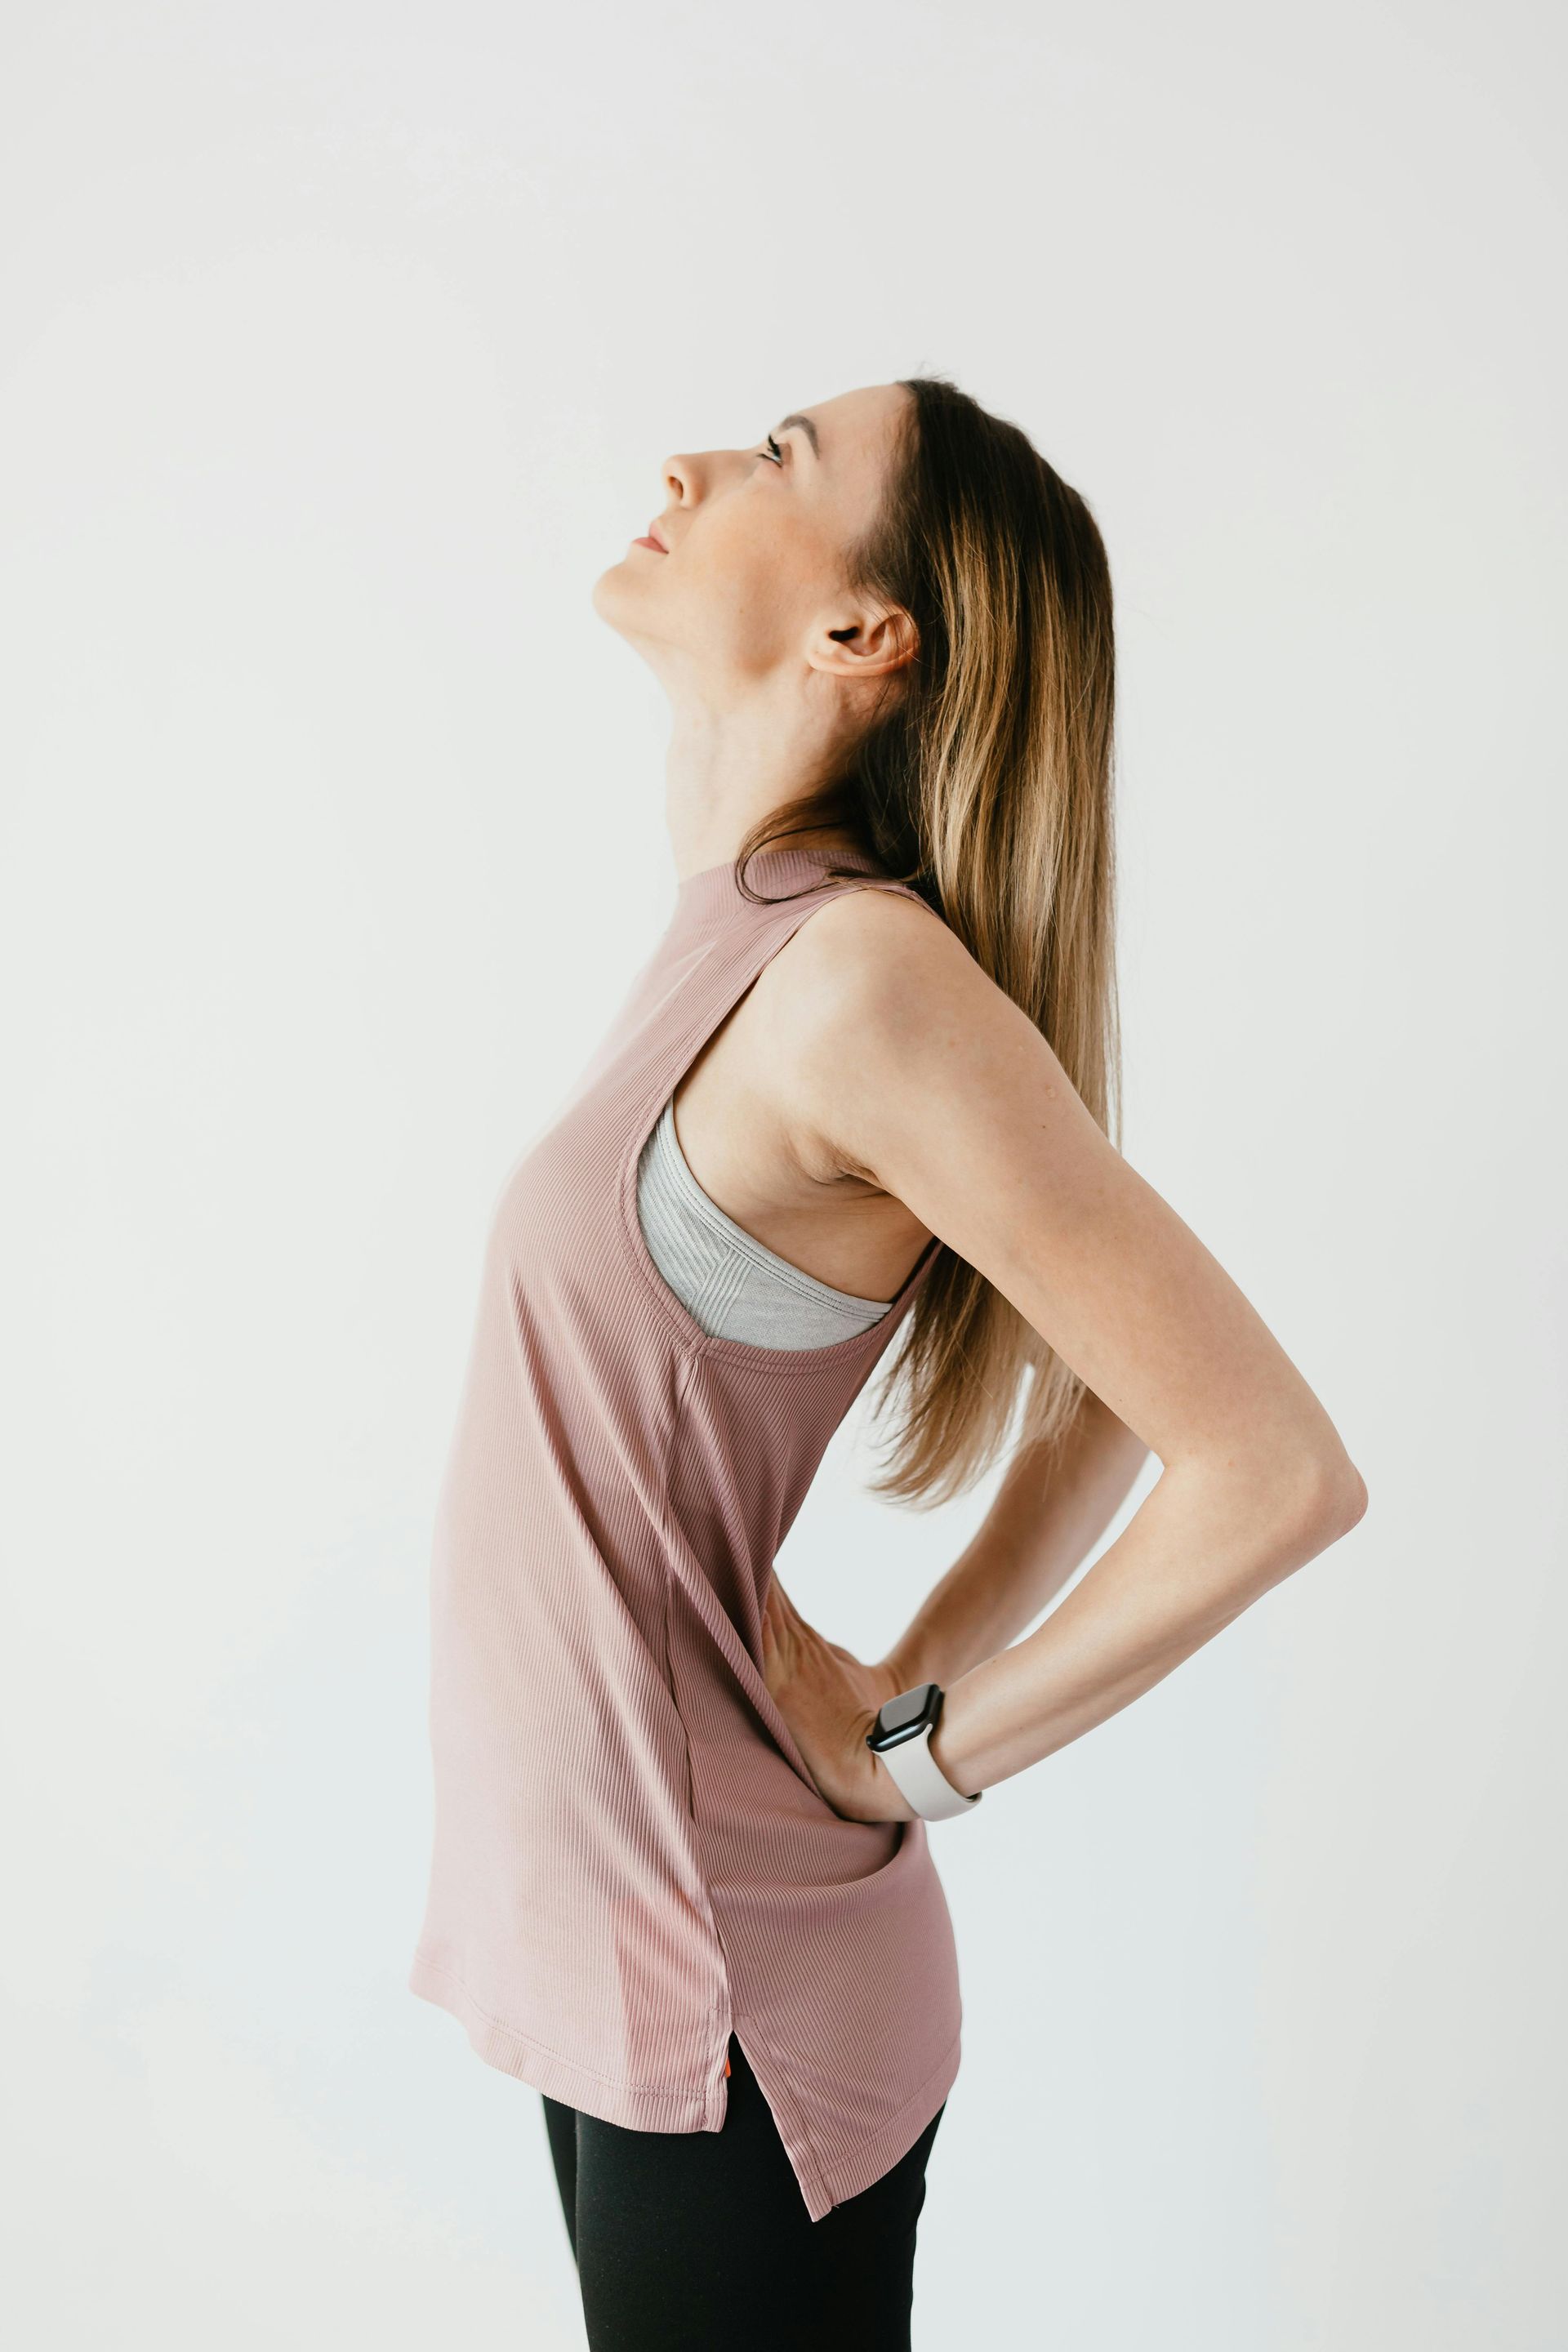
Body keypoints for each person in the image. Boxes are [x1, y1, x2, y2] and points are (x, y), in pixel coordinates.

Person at [408, 376, 1368, 2350]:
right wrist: (907, 1679)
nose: (682, 465)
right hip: (634, 1960)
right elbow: (1105, 1375)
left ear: (870, 634)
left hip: (735, 1992)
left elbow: (1269, 1463)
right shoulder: (745, 942)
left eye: (775, 455)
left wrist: (919, 1743)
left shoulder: (855, 978)